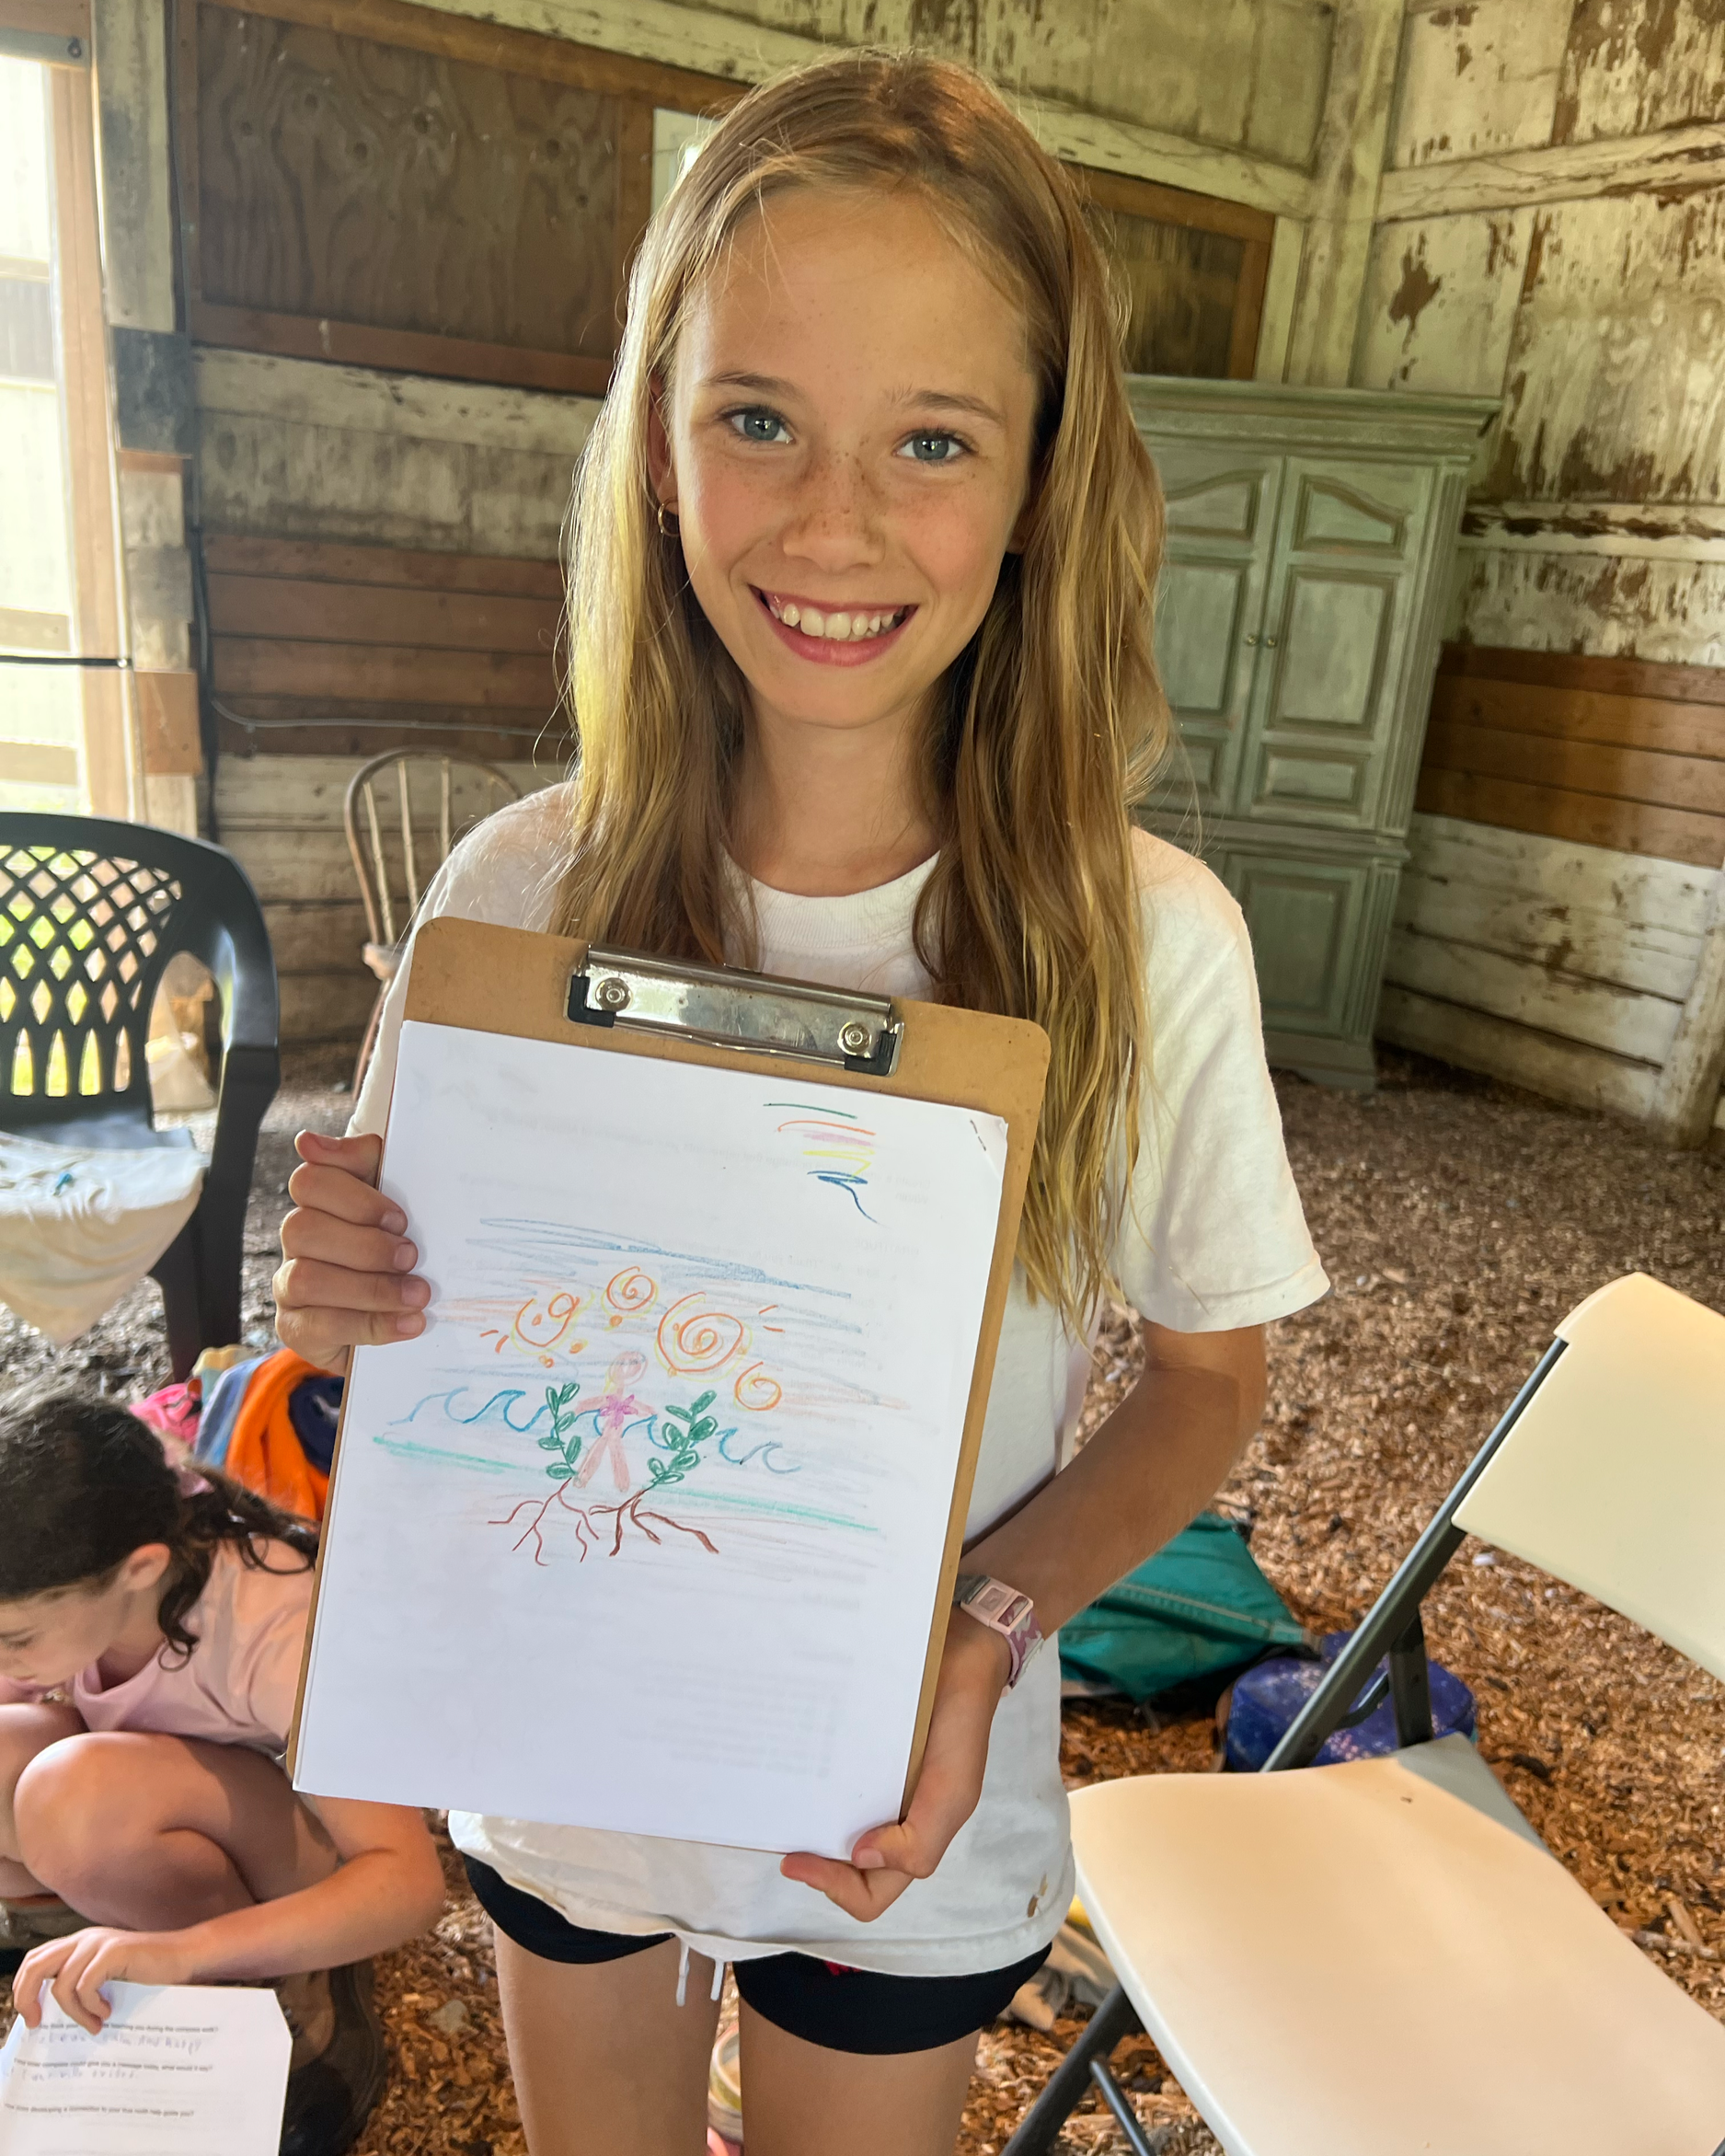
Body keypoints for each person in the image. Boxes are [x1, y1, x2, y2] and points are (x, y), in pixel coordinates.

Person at [273, 48, 1328, 2156]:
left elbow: (1207, 1375)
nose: (832, 522)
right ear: (656, 444)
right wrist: (346, 1306)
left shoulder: (1148, 940)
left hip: (895, 1794)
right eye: (755, 416)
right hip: (565, 1773)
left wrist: (986, 1617)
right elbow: (401, 1372)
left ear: (1037, 480)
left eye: (928, 438)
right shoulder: (511, 897)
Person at [0, 1385, 445, 2149]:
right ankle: (105, 1935)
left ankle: (281, 1991)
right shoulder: (85, 1580)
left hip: (312, 1859)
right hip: (180, 1805)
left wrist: (191, 1949)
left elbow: (408, 1884)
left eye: (17, 1637)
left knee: (67, 1798)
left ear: (140, 1568)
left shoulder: (277, 1626)